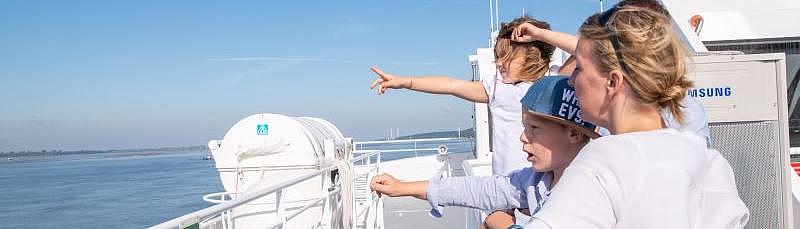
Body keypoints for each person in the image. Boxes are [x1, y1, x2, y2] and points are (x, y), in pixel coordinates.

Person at [517, 1, 749, 228]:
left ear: (613, 81)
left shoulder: (606, 161)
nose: (571, 79)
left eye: (579, 68)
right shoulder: (712, 163)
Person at [370, 76, 600, 229]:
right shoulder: (535, 180)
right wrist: (402, 188)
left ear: (574, 133)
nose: (522, 137)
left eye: (534, 129)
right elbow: (477, 190)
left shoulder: (593, 188)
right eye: (524, 127)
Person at [369, 16, 556, 176]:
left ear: (532, 56)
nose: (499, 63)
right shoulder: (497, 88)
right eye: (498, 56)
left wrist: (540, 34)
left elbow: (583, 50)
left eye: (507, 57)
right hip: (503, 184)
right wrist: (405, 82)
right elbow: (451, 85)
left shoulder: (553, 85)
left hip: (538, 187)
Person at [510, 0, 712, 146]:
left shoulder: (685, 113)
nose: (571, 80)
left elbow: (595, 54)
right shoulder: (707, 159)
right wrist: (540, 34)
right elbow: (594, 52)